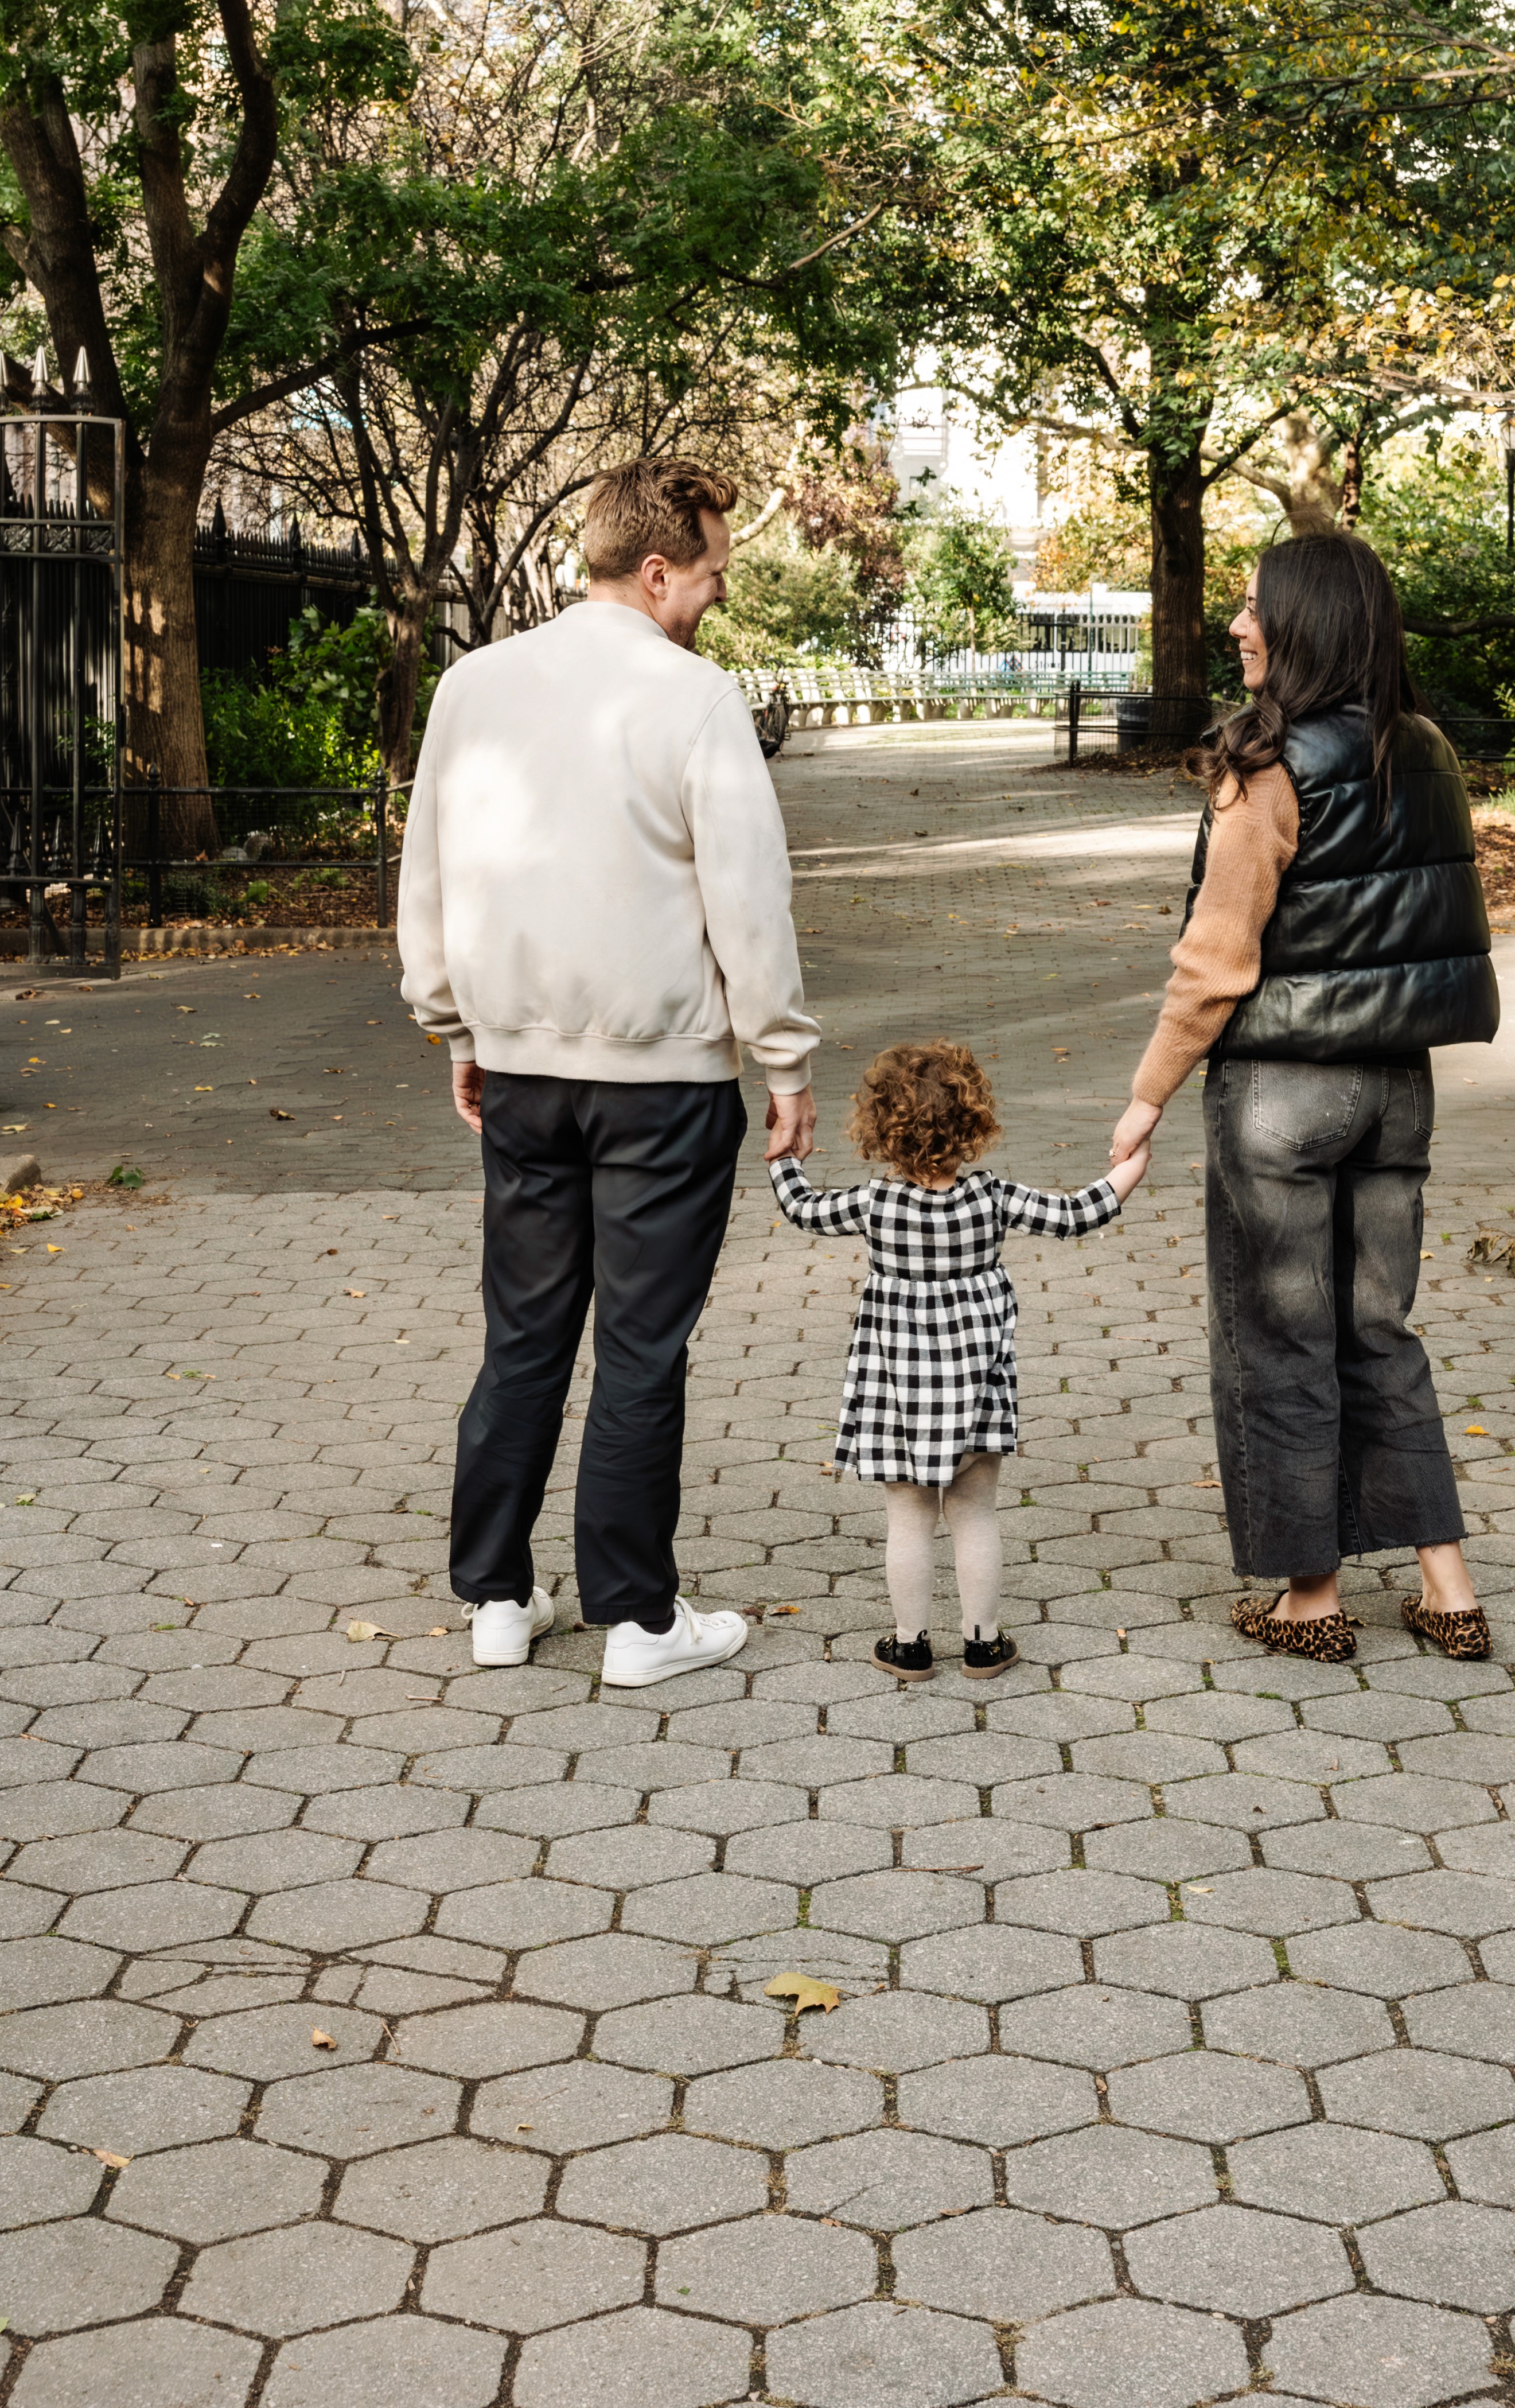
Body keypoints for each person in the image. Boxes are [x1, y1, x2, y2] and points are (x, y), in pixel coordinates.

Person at [398, 457, 818, 1687]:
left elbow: (430, 866)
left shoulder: (473, 686)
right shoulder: (695, 702)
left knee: (523, 1335)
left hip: (521, 1068)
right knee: (641, 1347)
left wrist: (456, 1029)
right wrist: (783, 1058)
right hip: (668, 1080)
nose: (714, 599)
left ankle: (496, 1599)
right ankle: (637, 1620)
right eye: (709, 577)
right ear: (653, 570)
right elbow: (749, 899)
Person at [1112, 532, 1500, 1664]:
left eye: (1256, 609)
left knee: (1282, 1335)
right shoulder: (1424, 748)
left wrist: (1144, 1099)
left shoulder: (1267, 768)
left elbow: (1215, 962)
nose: (1238, 626)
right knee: (1380, 1329)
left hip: (1280, 1095)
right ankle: (1449, 1587)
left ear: (1309, 628)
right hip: (1396, 1092)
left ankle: (1312, 1601)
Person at [770, 1039, 1150, 1682]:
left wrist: (785, 1153)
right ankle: (982, 1643)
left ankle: (909, 1644)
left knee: (909, 1519)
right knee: (974, 1513)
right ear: (973, 1120)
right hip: (976, 1390)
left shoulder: (872, 1204)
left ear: (879, 1129)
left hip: (897, 1393)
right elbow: (1077, 1214)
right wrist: (1131, 1163)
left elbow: (802, 1207)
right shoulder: (991, 1198)